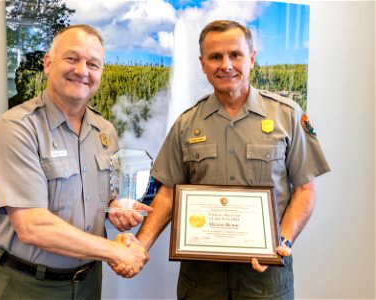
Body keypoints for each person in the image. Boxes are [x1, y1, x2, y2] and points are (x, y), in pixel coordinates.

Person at [135, 20, 330, 299]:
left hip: (266, 279)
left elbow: (305, 189)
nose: (226, 65)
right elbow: (167, 194)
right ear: (203, 64)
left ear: (251, 58)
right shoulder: (186, 123)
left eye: (235, 55)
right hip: (202, 281)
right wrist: (139, 247)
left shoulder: (286, 115)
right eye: (215, 57)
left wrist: (282, 240)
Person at [0, 24, 152, 300]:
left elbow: (95, 197)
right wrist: (115, 251)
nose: (82, 71)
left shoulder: (105, 132)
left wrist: (114, 209)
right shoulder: (18, 128)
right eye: (72, 58)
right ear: (49, 64)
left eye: (93, 64)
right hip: (29, 285)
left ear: (100, 73)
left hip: (87, 282)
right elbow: (31, 225)